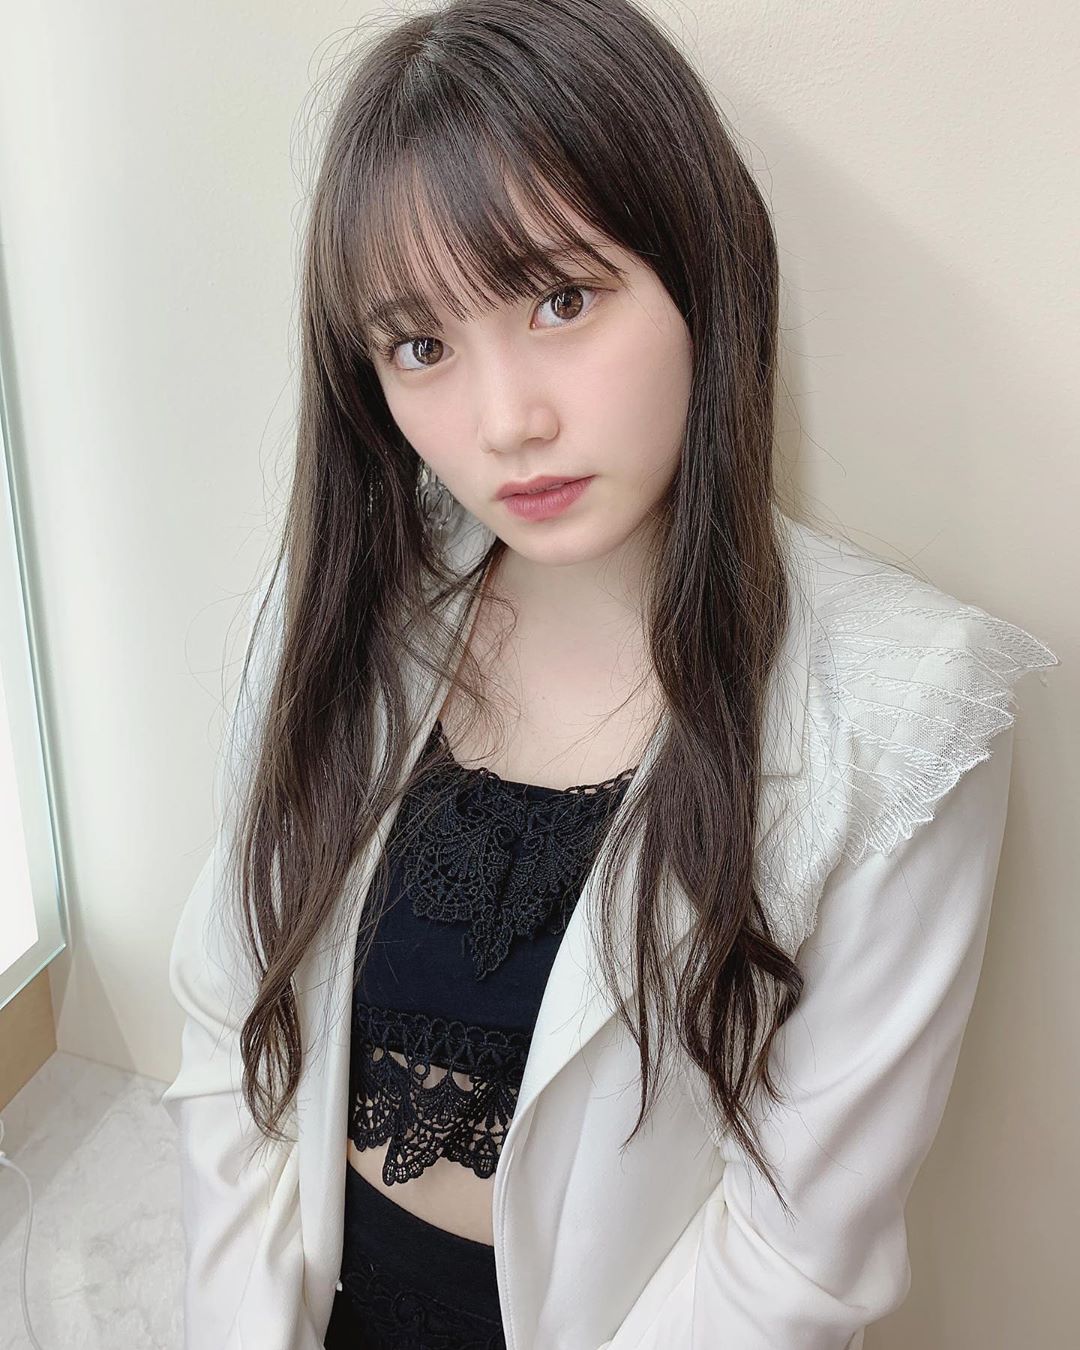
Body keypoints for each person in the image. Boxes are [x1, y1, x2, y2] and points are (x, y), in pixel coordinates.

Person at [160, 1, 1059, 1347]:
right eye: (421, 345)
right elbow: (228, 1020)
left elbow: (795, 1261)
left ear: (700, 269)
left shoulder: (909, 709)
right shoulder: (342, 608)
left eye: (561, 298)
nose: (505, 420)